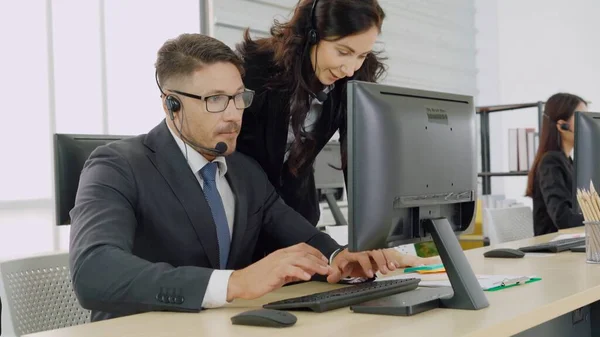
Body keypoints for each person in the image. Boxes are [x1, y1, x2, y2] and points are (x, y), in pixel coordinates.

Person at [69, 33, 434, 322]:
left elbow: (304, 237)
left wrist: (340, 258)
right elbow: (94, 272)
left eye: (237, 97)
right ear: (171, 104)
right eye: (214, 100)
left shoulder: (244, 171)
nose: (233, 115)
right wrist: (235, 282)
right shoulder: (116, 166)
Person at [235, 0, 386, 229]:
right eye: (343, 52)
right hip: (244, 214)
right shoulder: (256, 70)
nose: (349, 68)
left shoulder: (354, 79)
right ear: (312, 35)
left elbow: (359, 163)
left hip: (299, 215)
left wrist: (370, 236)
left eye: (361, 55)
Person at [526, 93, 588, 236]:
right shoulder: (550, 162)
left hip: (571, 242)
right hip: (553, 249)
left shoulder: (568, 162)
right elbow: (564, 219)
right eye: (581, 118)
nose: (587, 124)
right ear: (562, 125)